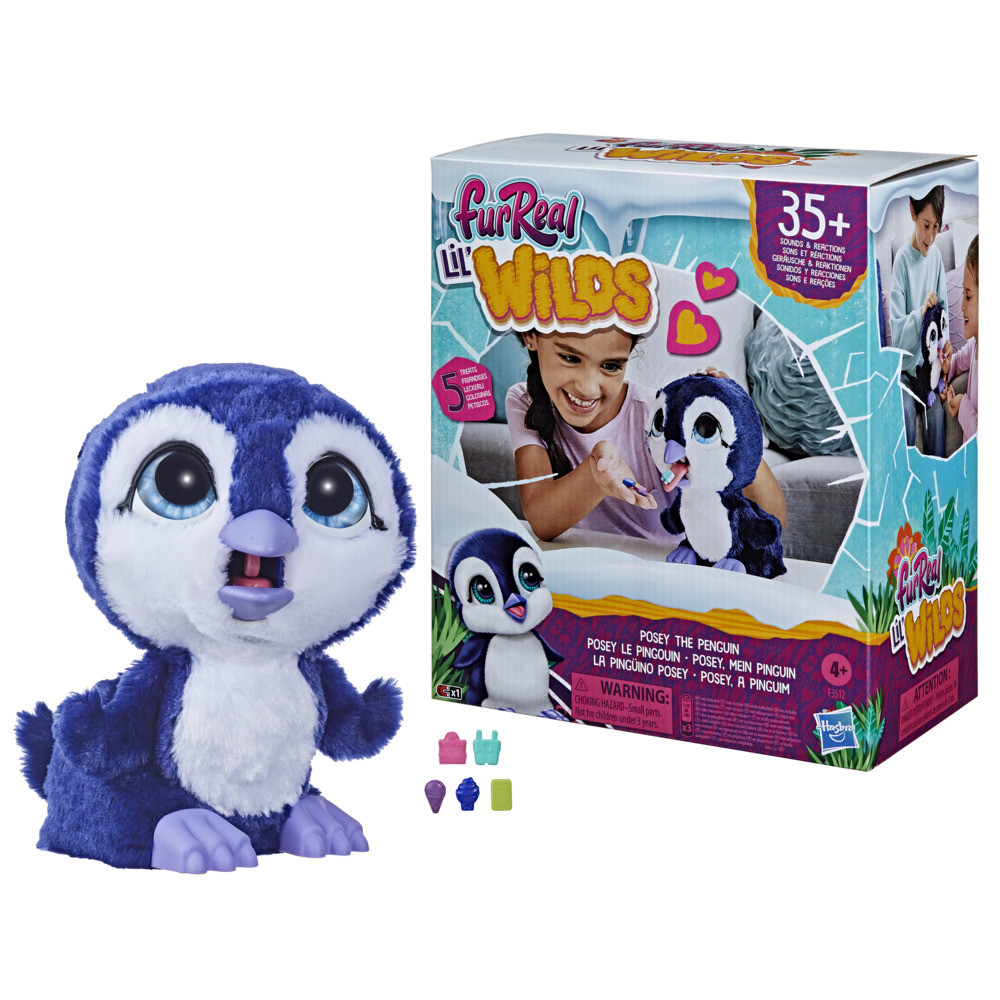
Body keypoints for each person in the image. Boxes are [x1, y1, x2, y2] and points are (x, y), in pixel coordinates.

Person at [505, 325, 786, 542]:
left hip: (674, 573)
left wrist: (738, 422)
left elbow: (772, 522)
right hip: (598, 573)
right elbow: (542, 521)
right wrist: (595, 476)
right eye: (570, 357)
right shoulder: (525, 401)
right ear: (531, 336)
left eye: (611, 366)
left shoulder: (661, 417)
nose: (588, 387)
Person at [889, 186, 951, 454]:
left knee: (936, 416)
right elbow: (898, 337)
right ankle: (905, 475)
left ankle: (935, 477)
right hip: (905, 373)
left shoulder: (936, 258)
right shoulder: (902, 262)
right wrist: (921, 314)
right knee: (905, 413)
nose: (932, 237)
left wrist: (945, 350)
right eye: (927, 225)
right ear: (913, 213)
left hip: (929, 373)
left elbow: (944, 320)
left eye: (936, 227)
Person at [941, 234, 978, 442]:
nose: (961, 306)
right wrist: (946, 369)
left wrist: (963, 405)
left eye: (968, 296)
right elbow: (957, 361)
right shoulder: (975, 345)